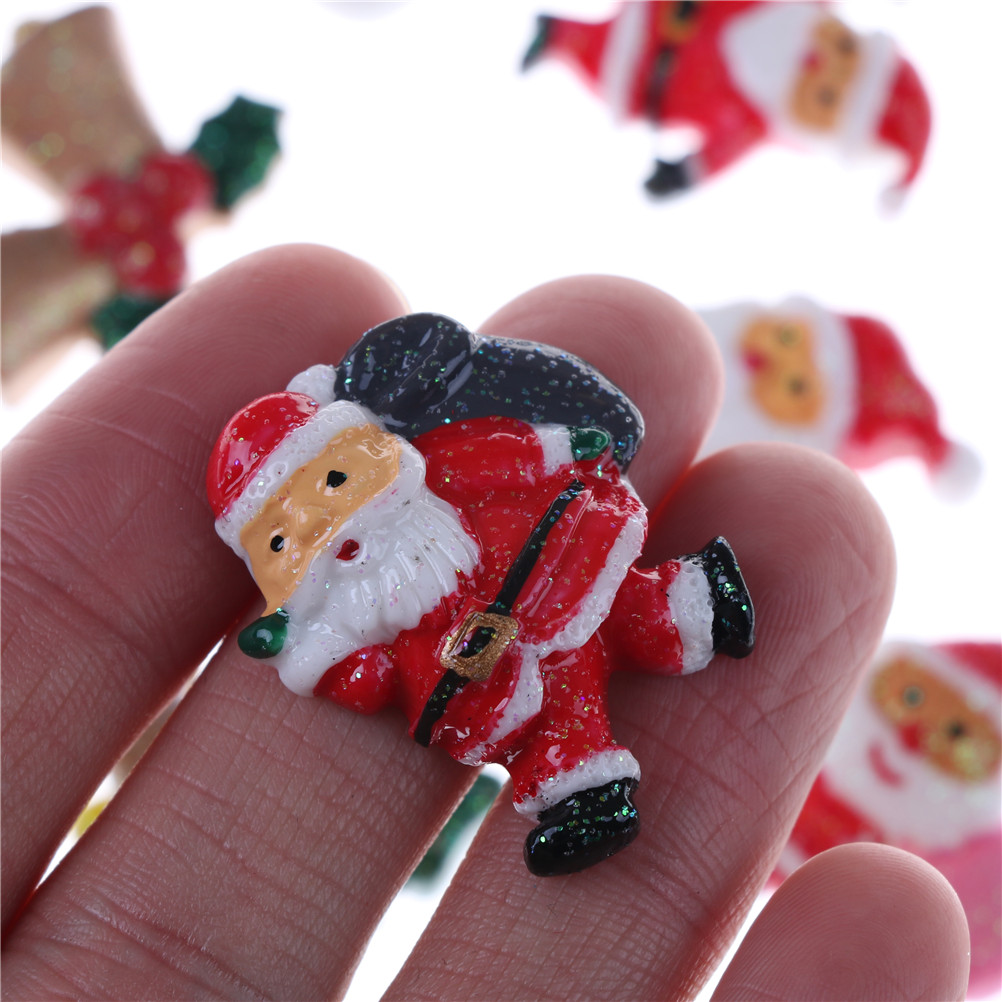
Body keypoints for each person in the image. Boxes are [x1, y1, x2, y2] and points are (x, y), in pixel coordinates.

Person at [1, 246, 970, 1000]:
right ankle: (591, 790)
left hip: (547, 567)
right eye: (293, 537)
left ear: (370, 456)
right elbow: (363, 681)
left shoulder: (449, 469)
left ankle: (694, 605)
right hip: (480, 676)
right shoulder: (351, 621)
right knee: (562, 719)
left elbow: (515, 452)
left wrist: (564, 447)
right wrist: (331, 663)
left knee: (619, 613)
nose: (338, 532)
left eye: (334, 484)